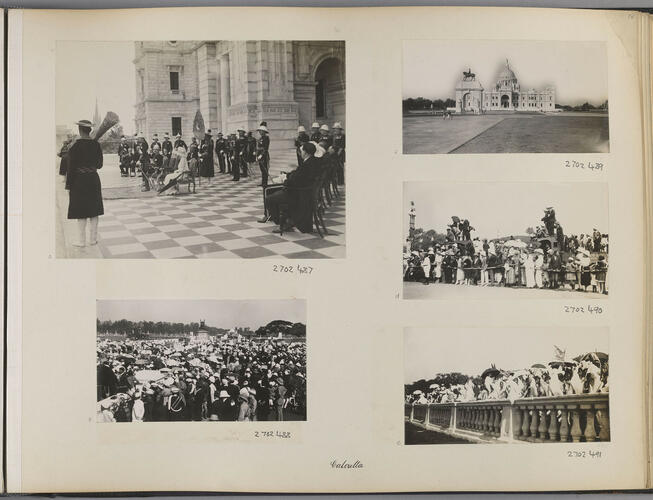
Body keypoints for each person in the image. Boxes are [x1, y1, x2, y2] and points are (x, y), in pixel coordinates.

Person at [262, 142, 320, 233]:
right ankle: (287, 221)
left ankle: (282, 224)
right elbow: (299, 174)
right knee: (275, 191)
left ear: (306, 152)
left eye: (302, 151)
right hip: (306, 192)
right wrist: (289, 175)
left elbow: (295, 180)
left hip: (298, 194)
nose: (300, 153)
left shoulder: (306, 164)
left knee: (269, 198)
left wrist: (286, 180)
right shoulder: (314, 161)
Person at [65, 119, 104, 247]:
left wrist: (68, 185)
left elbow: (70, 169)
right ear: (90, 130)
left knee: (80, 211)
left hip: (79, 181)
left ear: (80, 130)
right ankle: (93, 239)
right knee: (94, 210)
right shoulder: (96, 145)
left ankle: (81, 241)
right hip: (93, 179)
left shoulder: (74, 147)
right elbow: (100, 165)